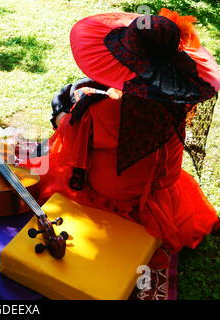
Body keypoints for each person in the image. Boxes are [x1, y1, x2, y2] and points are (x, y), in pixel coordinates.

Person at [35, 9, 220, 253]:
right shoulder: (183, 102)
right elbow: (144, 105)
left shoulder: (103, 111)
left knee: (45, 160)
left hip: (111, 199)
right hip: (163, 192)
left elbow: (70, 139)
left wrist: (60, 111)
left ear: (126, 59)